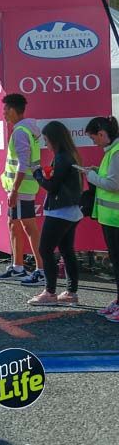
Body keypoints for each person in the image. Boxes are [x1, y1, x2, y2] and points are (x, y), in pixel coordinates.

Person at [27, 121, 82, 305]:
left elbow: (52, 186)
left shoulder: (61, 158)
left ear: (54, 139)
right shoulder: (69, 155)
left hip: (60, 211)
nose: (45, 144)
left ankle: (50, 293)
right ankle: (70, 293)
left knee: (45, 249)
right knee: (67, 250)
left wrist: (37, 173)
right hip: (72, 210)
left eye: (46, 140)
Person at [0, 94, 45, 284]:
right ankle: (18, 266)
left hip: (21, 189)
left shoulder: (20, 132)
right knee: (14, 224)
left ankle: (41, 269)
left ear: (13, 110)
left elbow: (23, 164)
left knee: (28, 227)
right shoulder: (24, 129)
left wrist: (14, 190)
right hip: (21, 188)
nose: (3, 113)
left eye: (5, 109)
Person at [78, 116, 119, 320]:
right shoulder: (111, 152)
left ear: (102, 134)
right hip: (110, 218)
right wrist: (96, 172)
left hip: (115, 218)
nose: (94, 142)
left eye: (94, 138)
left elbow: (113, 185)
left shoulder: (116, 153)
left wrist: (91, 177)